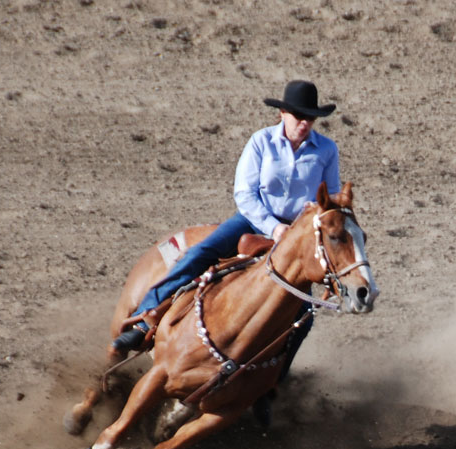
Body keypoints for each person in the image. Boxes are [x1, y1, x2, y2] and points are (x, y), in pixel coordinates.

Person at [112, 79, 341, 359]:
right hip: (254, 220)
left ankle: (272, 385)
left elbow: (331, 197)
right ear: (283, 114)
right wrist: (273, 226)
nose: (304, 123)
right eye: (298, 116)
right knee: (199, 254)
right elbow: (244, 194)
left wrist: (308, 217)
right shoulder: (261, 142)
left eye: (310, 118)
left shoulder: (326, 150)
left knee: (302, 316)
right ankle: (142, 318)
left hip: (296, 236)